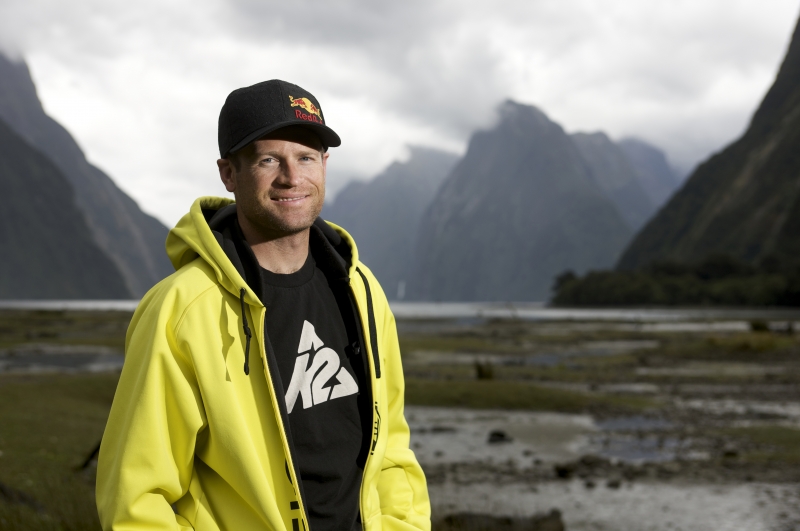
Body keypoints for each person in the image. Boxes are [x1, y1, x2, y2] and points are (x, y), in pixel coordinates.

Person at [96, 80, 430, 531]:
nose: (292, 177)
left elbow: (390, 448)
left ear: (325, 165)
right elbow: (137, 501)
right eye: (269, 159)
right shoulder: (180, 311)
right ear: (229, 174)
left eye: (306, 157)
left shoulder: (362, 290)